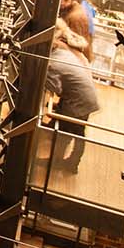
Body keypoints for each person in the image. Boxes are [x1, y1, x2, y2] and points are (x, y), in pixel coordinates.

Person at [46, 26, 100, 171]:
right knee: (78, 133)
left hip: (78, 103)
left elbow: (56, 88)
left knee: (66, 133)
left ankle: (57, 163)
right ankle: (71, 163)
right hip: (87, 99)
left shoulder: (53, 62)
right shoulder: (67, 54)